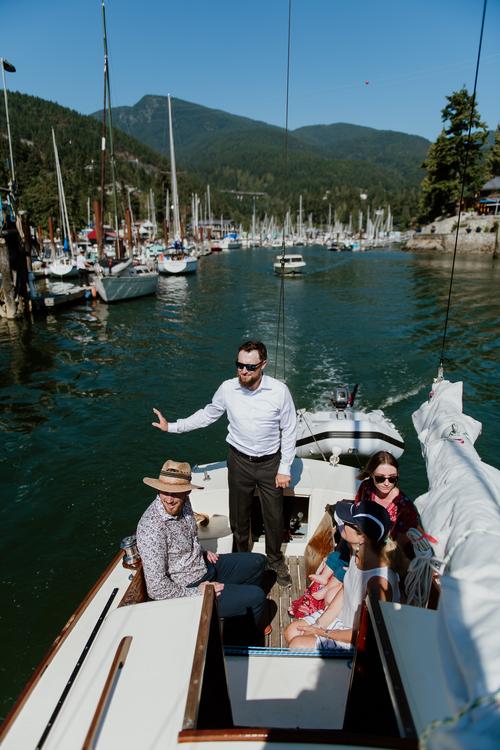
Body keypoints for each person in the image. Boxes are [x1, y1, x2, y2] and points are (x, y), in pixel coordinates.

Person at [151, 340, 297, 587]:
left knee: (273, 516)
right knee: (239, 519)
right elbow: (208, 415)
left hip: (270, 464)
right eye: (239, 365)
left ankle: (274, 560)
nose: (243, 371)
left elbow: (290, 429)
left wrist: (285, 468)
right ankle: (243, 559)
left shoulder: (279, 391)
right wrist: (172, 427)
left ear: (264, 364)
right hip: (239, 461)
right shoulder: (227, 389)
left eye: (250, 367)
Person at [136, 458, 268, 637]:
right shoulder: (151, 528)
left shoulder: (184, 504)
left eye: (176, 492)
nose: (169, 499)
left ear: (187, 492)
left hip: (203, 565)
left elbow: (188, 537)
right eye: (164, 491)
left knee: (258, 562)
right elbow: (157, 588)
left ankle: (241, 616)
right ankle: (244, 636)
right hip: (190, 587)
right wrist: (197, 593)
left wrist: (202, 552)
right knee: (257, 597)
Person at [285, 500, 402, 651]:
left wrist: (323, 633)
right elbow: (344, 592)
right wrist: (319, 624)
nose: (342, 523)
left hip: (356, 638)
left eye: (348, 522)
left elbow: (366, 634)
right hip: (343, 621)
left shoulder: (378, 582)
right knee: (292, 631)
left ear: (362, 537)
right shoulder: (357, 555)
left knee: (297, 645)